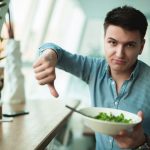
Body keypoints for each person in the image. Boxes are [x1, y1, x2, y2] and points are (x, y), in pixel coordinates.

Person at [33, 5, 150, 150]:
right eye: (113, 42)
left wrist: (143, 142)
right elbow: (55, 50)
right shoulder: (94, 68)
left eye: (130, 45)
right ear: (104, 40)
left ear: (141, 46)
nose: (119, 54)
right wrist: (49, 56)